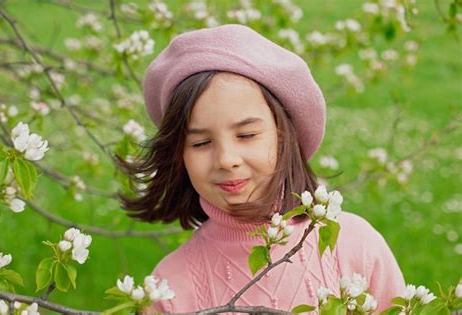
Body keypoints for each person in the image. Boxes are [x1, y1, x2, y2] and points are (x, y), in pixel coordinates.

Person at [115, 24, 405, 313]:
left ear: (282, 137)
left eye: (246, 135)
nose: (226, 159)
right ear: (178, 155)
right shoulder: (170, 287)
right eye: (201, 143)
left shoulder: (354, 246)